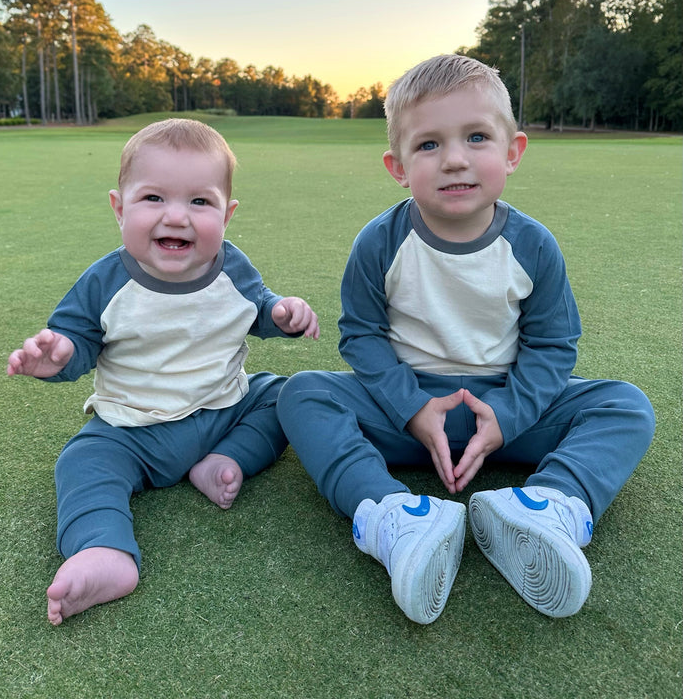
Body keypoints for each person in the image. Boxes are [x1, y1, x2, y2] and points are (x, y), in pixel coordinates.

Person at [277, 54, 655, 624]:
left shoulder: (533, 245)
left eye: (476, 137)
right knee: (302, 394)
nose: (454, 159)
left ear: (512, 152)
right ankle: (393, 515)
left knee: (624, 405)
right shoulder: (379, 243)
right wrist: (412, 409)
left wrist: (507, 415)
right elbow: (361, 336)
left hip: (506, 410)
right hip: (405, 410)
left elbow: (553, 347)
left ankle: (544, 505)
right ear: (397, 166)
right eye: (428, 145)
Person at [8, 118, 319, 625]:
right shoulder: (106, 281)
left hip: (222, 410)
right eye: (154, 198)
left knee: (283, 396)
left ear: (227, 213)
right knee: (82, 463)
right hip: (132, 432)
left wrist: (283, 313)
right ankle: (103, 551)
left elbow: (257, 308)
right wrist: (58, 356)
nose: (177, 217)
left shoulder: (232, 268)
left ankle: (225, 460)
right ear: (119, 207)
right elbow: (78, 339)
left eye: (200, 202)